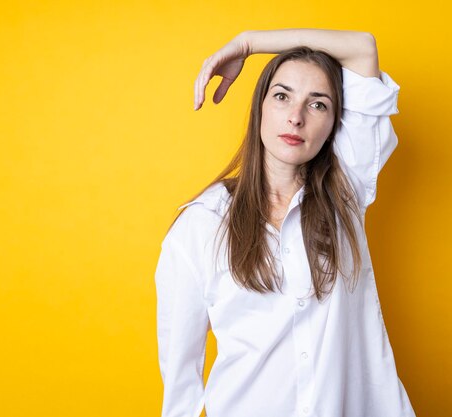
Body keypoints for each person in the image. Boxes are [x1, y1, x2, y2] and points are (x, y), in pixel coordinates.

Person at [155, 29, 416, 417]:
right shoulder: (200, 226)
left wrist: (248, 43)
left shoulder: (347, 190)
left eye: (318, 105)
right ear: (260, 107)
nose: (296, 117)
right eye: (282, 96)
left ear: (334, 125)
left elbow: (362, 49)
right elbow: (181, 378)